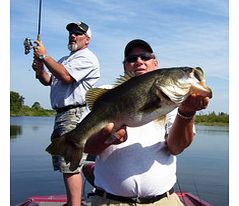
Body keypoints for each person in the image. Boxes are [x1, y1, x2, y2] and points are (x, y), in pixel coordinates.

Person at [83, 39, 210, 205]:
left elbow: (176, 147)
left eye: (145, 57)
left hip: (163, 200)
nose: (139, 61)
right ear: (125, 66)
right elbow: (86, 147)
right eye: (131, 59)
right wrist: (107, 138)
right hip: (110, 201)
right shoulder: (107, 94)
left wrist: (187, 113)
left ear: (155, 63)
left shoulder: (173, 101)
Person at [32, 21, 100, 206]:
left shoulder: (87, 58)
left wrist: (44, 56)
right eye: (71, 32)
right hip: (62, 115)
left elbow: (66, 77)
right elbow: (49, 81)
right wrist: (40, 70)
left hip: (74, 114)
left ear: (87, 40)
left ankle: (74, 204)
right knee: (65, 163)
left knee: (71, 166)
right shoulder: (64, 60)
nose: (73, 35)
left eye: (78, 33)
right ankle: (73, 202)